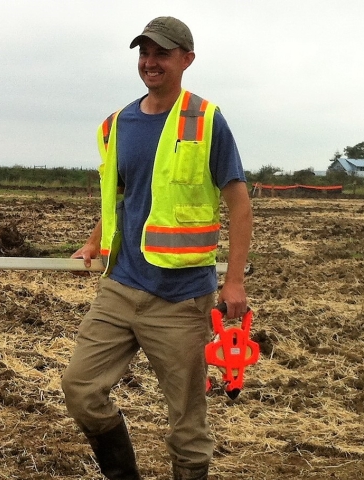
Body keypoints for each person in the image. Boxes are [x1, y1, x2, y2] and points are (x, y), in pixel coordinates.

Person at [62, 16, 253, 480]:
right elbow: (121, 197)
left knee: (187, 424)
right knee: (80, 388)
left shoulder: (207, 121)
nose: (150, 62)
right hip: (121, 288)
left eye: (161, 53)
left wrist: (232, 280)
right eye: (144, 53)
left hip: (182, 297)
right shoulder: (117, 125)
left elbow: (240, 206)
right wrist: (92, 243)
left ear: (186, 60)